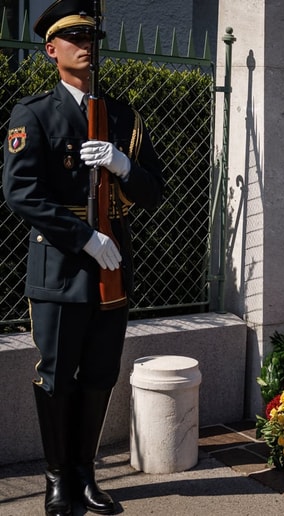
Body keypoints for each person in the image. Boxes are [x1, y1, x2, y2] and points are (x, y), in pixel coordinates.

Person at [2, 1, 164, 514]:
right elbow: (21, 193)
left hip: (112, 267)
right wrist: (84, 238)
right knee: (57, 375)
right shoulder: (34, 114)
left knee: (99, 374)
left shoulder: (121, 116)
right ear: (51, 50)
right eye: (73, 37)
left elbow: (154, 191)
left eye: (90, 36)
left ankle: (85, 473)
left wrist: (122, 165)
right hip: (61, 266)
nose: (85, 45)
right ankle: (56, 479)